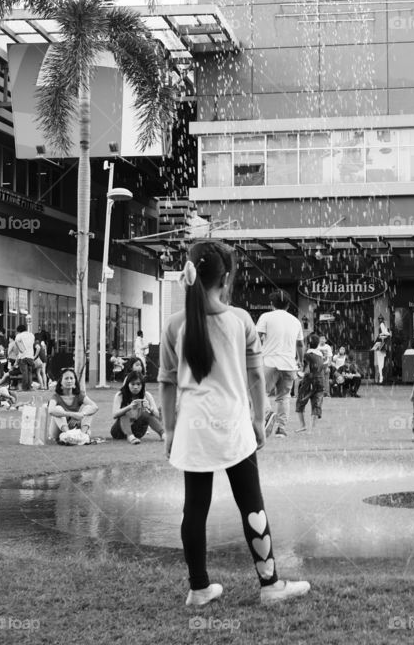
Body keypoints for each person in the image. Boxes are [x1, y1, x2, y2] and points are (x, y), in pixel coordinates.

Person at [158, 240, 309, 607]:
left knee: (194, 508)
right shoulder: (240, 319)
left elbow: (165, 382)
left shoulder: (174, 324)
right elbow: (256, 379)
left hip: (192, 430)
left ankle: (198, 588)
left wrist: (170, 430)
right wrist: (259, 421)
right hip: (234, 425)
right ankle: (270, 585)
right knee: (251, 504)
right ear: (225, 278)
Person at [256, 290, 304, 440]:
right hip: (289, 363)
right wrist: (301, 361)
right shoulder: (295, 321)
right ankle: (281, 429)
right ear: (288, 305)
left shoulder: (266, 317)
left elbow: (256, 337)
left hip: (269, 361)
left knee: (259, 392)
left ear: (272, 304)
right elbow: (300, 344)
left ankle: (267, 412)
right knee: (284, 397)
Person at [111, 370, 164, 444]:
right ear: (127, 384)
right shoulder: (120, 395)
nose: (135, 387)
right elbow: (114, 415)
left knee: (146, 413)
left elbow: (158, 415)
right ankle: (130, 436)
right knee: (124, 413)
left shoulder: (147, 395)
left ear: (142, 385)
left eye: (138, 384)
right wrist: (129, 407)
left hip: (138, 430)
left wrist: (149, 408)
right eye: (132, 384)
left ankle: (163, 434)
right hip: (119, 431)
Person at [47, 368, 99, 441]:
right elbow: (51, 410)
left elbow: (95, 407)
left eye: (71, 378)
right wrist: (72, 414)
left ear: (75, 381)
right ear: (61, 382)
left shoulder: (79, 395)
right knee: (58, 408)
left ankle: (82, 435)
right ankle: (69, 434)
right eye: (66, 378)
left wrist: (82, 414)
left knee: (88, 408)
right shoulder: (56, 396)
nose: (69, 381)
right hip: (58, 429)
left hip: (74, 426)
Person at [296, 333, 326, 434]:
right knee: (316, 405)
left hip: (310, 381)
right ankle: (312, 430)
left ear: (308, 344)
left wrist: (300, 374)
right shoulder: (320, 355)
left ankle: (302, 425)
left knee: (300, 402)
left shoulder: (307, 355)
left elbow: (307, 370)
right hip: (320, 382)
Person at [14, 323, 37, 391]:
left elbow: (16, 343)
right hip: (30, 356)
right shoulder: (31, 335)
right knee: (29, 372)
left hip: (23, 356)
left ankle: (24, 387)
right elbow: (32, 343)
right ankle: (29, 387)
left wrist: (21, 351)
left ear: (19, 330)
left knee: (24, 372)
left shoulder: (19, 335)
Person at [373, 316, 391, 384]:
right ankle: (382, 378)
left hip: (380, 344)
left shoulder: (382, 325)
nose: (379, 321)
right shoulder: (384, 325)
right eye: (379, 319)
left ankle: (381, 378)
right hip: (381, 345)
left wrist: (380, 336)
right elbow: (387, 334)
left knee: (381, 363)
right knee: (381, 362)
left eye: (380, 319)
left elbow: (387, 334)